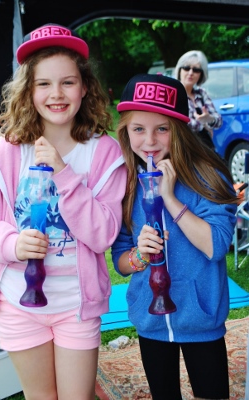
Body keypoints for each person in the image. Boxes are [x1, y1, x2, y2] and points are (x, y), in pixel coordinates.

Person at [0, 23, 127, 400]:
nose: (56, 94)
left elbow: (103, 234)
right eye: (43, 84)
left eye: (68, 82)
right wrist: (13, 245)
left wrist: (64, 173)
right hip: (18, 304)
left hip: (76, 306)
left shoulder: (105, 154)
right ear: (28, 90)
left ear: (85, 87)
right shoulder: (3, 153)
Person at [111, 73, 239, 400]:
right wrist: (138, 254)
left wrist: (170, 198)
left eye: (162, 129)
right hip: (150, 319)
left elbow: (216, 245)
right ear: (125, 130)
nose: (149, 140)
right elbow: (121, 261)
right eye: (138, 129)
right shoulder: (123, 183)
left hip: (201, 319)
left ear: (179, 130)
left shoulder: (208, 176)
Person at [175, 50, 222, 149]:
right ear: (180, 70)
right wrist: (202, 125)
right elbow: (177, 123)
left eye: (196, 70)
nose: (191, 73)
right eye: (186, 68)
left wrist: (209, 119)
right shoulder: (174, 93)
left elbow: (219, 121)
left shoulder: (201, 93)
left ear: (201, 74)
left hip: (205, 148)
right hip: (184, 147)